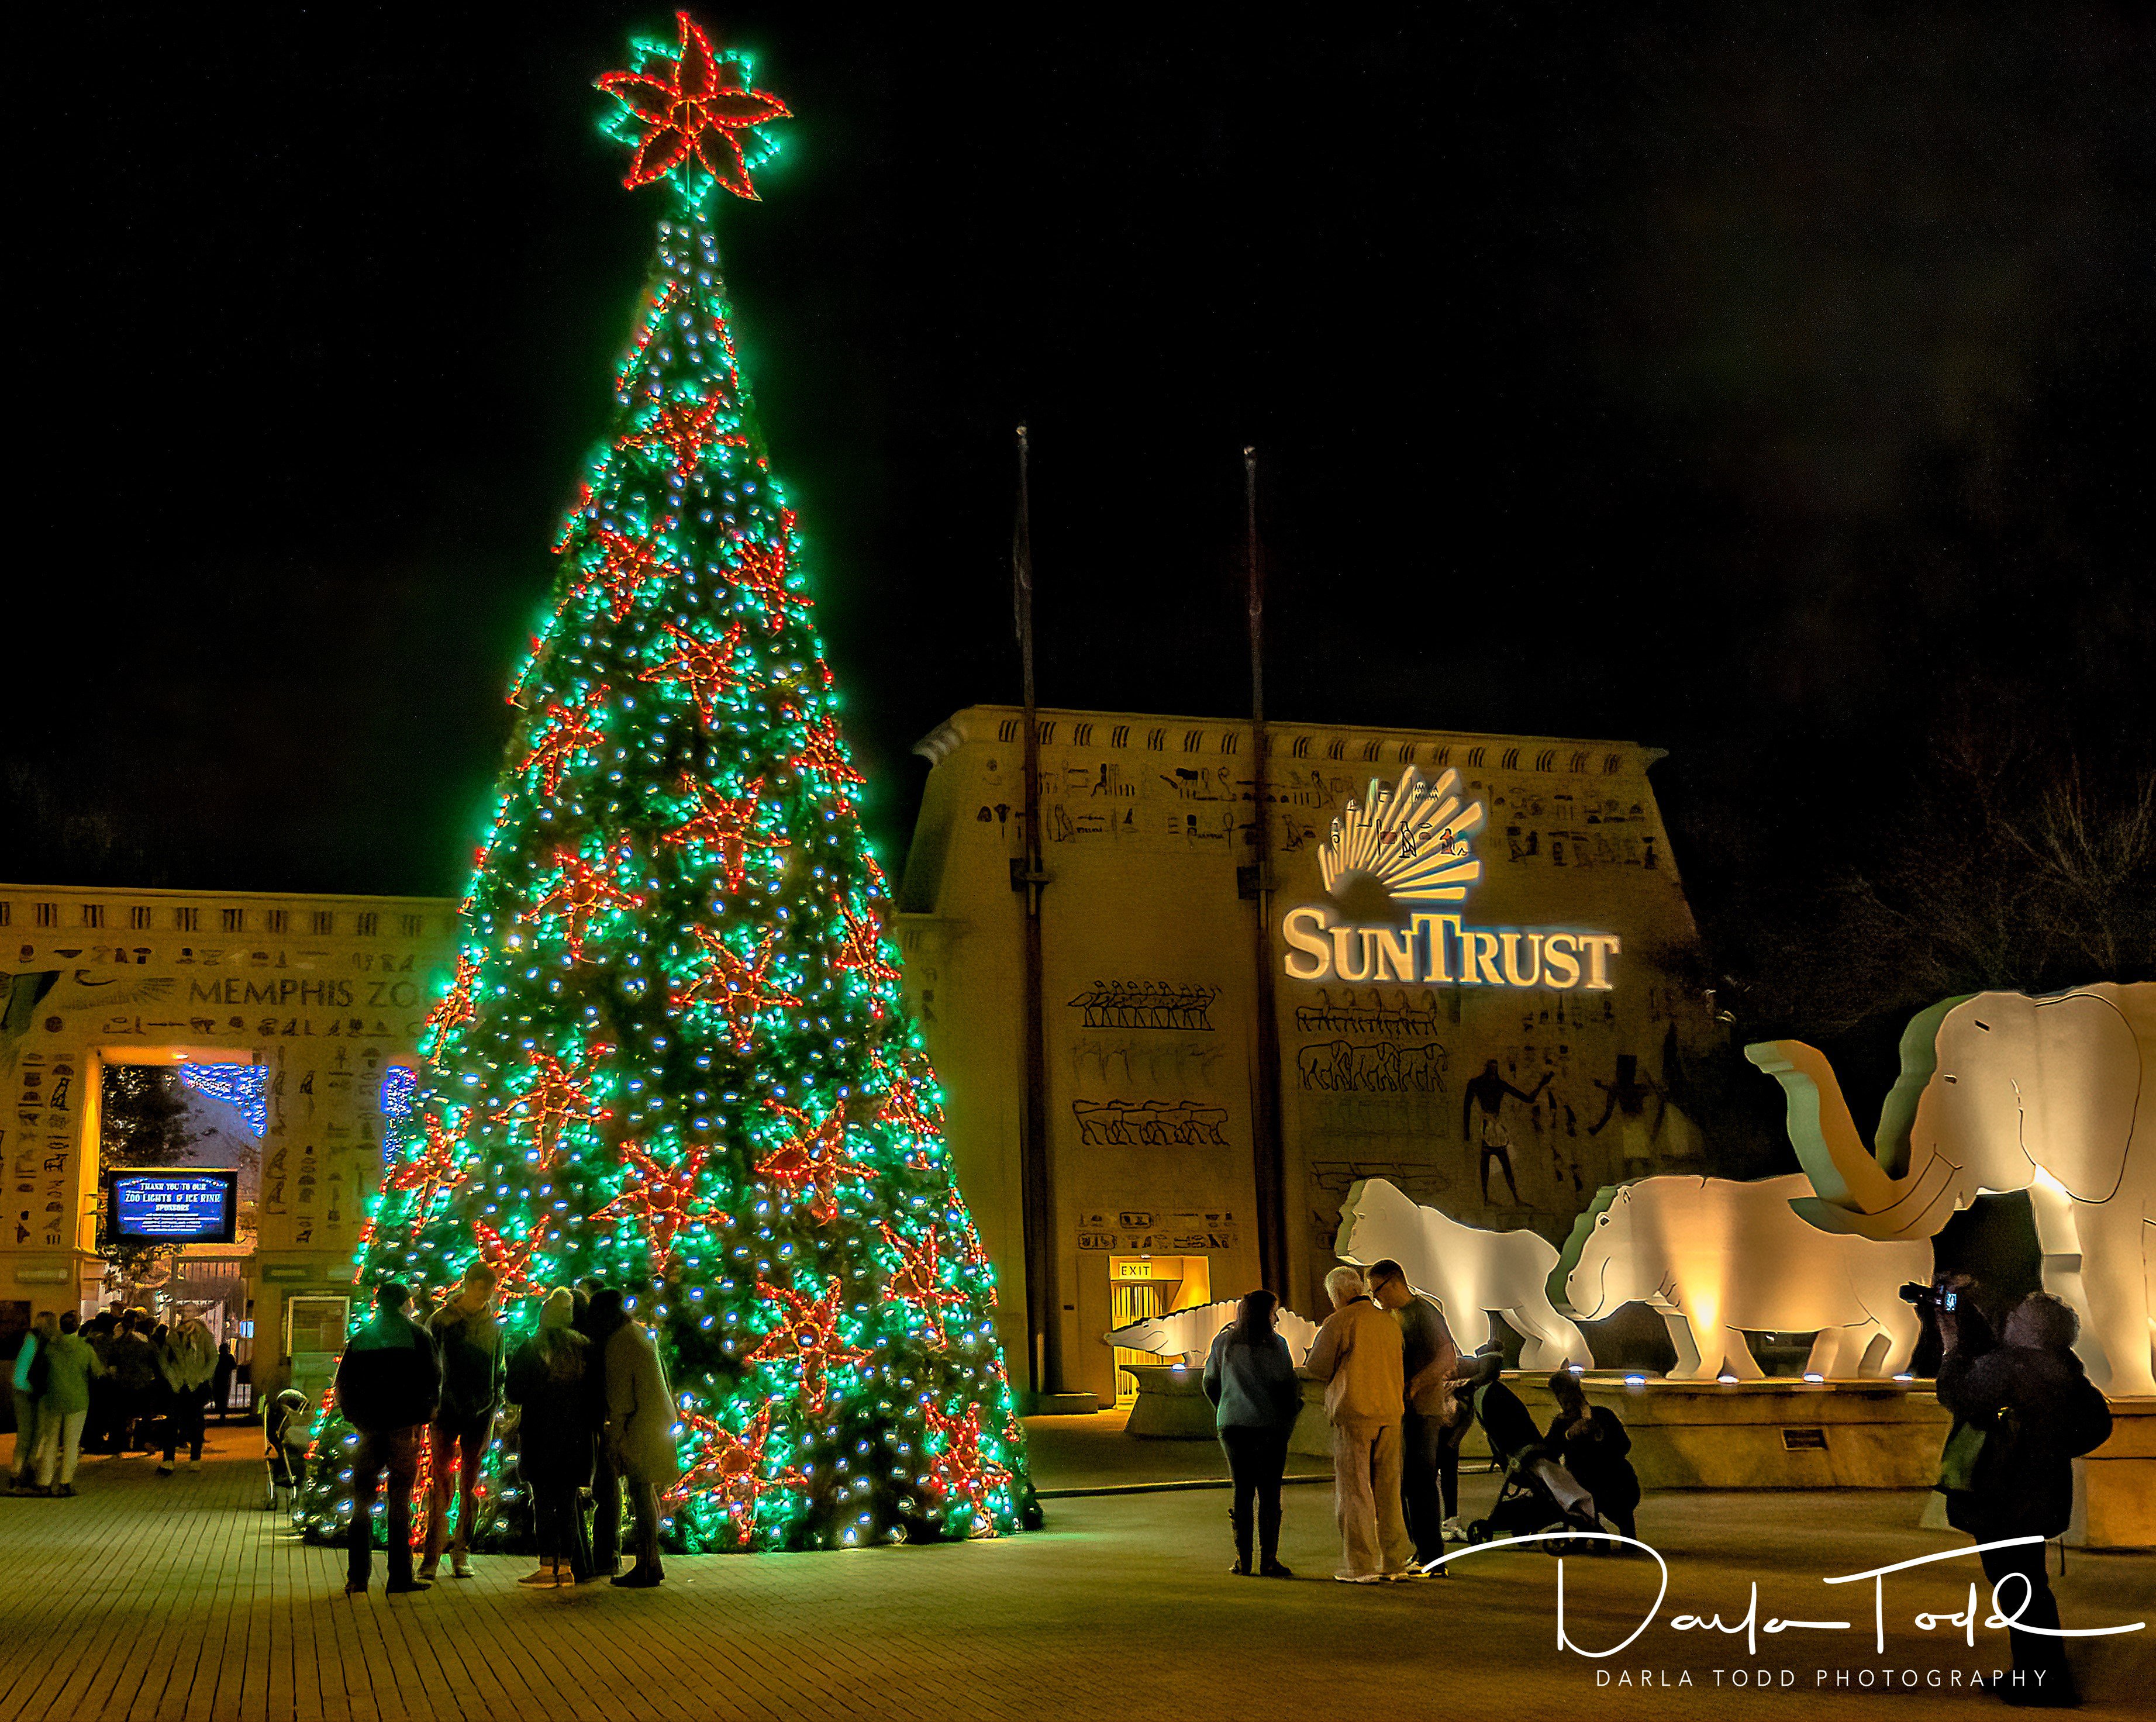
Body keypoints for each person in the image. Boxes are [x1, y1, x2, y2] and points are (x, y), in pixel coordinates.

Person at [1936, 1283, 2113, 1709]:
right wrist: (2047, 1445)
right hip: (2040, 1495)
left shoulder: (2009, 1368)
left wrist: (1951, 1344)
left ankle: (2044, 1683)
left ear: (2028, 1331)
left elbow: (1954, 1392)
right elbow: (2096, 1426)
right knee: (2028, 1586)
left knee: (2017, 1589)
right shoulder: (2065, 1370)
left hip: (2001, 1497)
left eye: (2015, 1319)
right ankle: (2033, 1673)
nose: (2007, 1323)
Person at [1301, 1264, 1417, 1583]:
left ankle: (1362, 1566)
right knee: (1389, 1492)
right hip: (1391, 1413)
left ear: (1337, 1295)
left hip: (1355, 1414)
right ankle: (1394, 1561)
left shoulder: (1339, 1321)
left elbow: (1318, 1367)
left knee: (1355, 1493)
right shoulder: (1389, 1322)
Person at [334, 1281, 442, 1596]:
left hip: (368, 1429)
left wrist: (357, 1418)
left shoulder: (361, 1339)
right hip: (403, 1428)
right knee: (400, 1500)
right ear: (405, 1304)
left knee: (363, 1501)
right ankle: (399, 1576)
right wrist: (423, 1415)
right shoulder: (418, 1337)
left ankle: (357, 1577)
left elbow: (344, 1386)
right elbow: (433, 1379)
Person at [1365, 1259, 1466, 1564]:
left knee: (1420, 1479)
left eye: (1377, 1290)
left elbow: (1447, 1356)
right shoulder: (1395, 1314)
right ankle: (1423, 1550)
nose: (1376, 1298)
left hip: (1423, 1408)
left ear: (1394, 1282)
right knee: (1410, 1480)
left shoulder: (1423, 1313)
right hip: (1408, 1406)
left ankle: (1431, 1554)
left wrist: (1414, 1386)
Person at [1201, 1289, 1301, 1578]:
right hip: (1271, 1426)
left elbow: (1209, 1382)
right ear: (1268, 1314)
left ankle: (1243, 1562)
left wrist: (1225, 1406)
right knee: (1270, 1493)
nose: (1277, 1317)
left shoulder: (1224, 1342)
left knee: (1242, 1491)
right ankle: (1269, 1561)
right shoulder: (1277, 1345)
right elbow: (1287, 1385)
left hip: (1232, 1424)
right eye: (1274, 1311)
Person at [508, 1286, 596, 1587]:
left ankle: (547, 1567)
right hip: (576, 1436)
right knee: (568, 1501)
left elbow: (514, 1392)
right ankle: (568, 1569)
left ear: (545, 1315)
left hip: (540, 1433)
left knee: (544, 1500)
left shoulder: (532, 1346)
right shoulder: (586, 1347)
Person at [423, 1262, 505, 1580]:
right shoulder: (441, 1322)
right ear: (468, 1285)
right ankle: (432, 1556)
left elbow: (498, 1370)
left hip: (480, 1413)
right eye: (480, 1287)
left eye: (489, 1289)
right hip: (445, 1412)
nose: (485, 1294)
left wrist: (494, 1402)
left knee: (469, 1485)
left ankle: (461, 1552)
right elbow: (430, 1367)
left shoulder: (493, 1327)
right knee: (442, 1481)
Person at [599, 1290, 679, 1588]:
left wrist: (613, 1438)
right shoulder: (641, 1334)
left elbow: (622, 1402)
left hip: (641, 1426)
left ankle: (646, 1565)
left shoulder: (619, 1343)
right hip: (659, 1419)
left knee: (640, 1491)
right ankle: (652, 1562)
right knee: (646, 1493)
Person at [1545, 1371, 1638, 1542]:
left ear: (1578, 1394)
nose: (1566, 1404)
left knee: (1612, 1492)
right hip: (1583, 1479)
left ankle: (1617, 1532)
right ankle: (1595, 1531)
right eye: (1562, 1400)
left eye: (1569, 1398)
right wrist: (1567, 1436)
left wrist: (1599, 1436)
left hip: (1613, 1478)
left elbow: (1624, 1445)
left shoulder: (1602, 1415)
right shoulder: (1561, 1423)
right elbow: (1550, 1452)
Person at [577, 1282, 626, 1577]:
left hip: (596, 1420)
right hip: (601, 1418)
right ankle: (607, 1555)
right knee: (607, 1487)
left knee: (603, 1486)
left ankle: (598, 1555)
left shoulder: (595, 1339)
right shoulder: (608, 1337)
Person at [32, 1313, 107, 1496]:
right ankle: (65, 1482)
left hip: (53, 1398)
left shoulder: (51, 1347)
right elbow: (97, 1372)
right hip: (78, 1400)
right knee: (72, 1444)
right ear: (78, 1326)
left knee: (50, 1442)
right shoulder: (85, 1349)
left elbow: (42, 1369)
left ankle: (44, 1482)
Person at [1462, 1062, 1550, 1205]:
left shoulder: (1497, 1084)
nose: (1493, 1070)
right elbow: (1467, 1107)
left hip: (1494, 1127)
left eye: (1495, 1067)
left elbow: (1528, 1099)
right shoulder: (1478, 1084)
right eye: (1491, 1067)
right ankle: (1491, 1198)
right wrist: (1466, 1131)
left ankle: (1508, 1198)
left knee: (1498, 1160)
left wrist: (1541, 1084)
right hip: (1488, 1126)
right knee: (1492, 1160)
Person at [156, 1313, 219, 1475]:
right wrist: (172, 1377)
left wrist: (202, 1376)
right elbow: (164, 1360)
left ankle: (195, 1459)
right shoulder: (174, 1337)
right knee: (172, 1422)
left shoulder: (204, 1338)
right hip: (178, 1385)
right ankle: (169, 1459)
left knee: (196, 1423)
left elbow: (213, 1359)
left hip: (194, 1386)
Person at [11, 1313, 58, 1495]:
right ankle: (23, 1471)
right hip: (33, 1393)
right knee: (34, 1434)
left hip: (27, 1392)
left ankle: (19, 1473)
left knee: (26, 1434)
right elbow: (21, 1376)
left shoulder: (32, 1338)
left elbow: (20, 1373)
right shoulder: (47, 1341)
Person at [104, 1310, 159, 1455]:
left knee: (121, 1415)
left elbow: (112, 1360)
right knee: (146, 1414)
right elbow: (155, 1360)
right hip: (143, 1382)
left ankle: (118, 1444)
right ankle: (145, 1441)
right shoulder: (146, 1342)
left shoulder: (119, 1341)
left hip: (123, 1382)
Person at [211, 1343, 237, 1426]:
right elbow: (234, 1366)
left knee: (217, 1396)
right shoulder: (230, 1357)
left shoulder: (217, 1358)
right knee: (224, 1397)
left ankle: (218, 1410)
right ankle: (223, 1414)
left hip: (217, 1379)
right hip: (226, 1379)